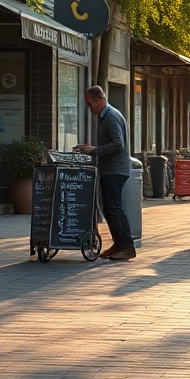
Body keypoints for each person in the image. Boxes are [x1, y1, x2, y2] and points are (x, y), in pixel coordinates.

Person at [73, 85, 135, 261]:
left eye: (90, 104)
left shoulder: (111, 117)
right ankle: (119, 243)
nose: (89, 108)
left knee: (113, 208)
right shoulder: (105, 116)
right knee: (110, 208)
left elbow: (118, 145)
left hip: (115, 170)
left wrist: (94, 150)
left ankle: (126, 245)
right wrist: (92, 148)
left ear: (99, 100)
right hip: (111, 169)